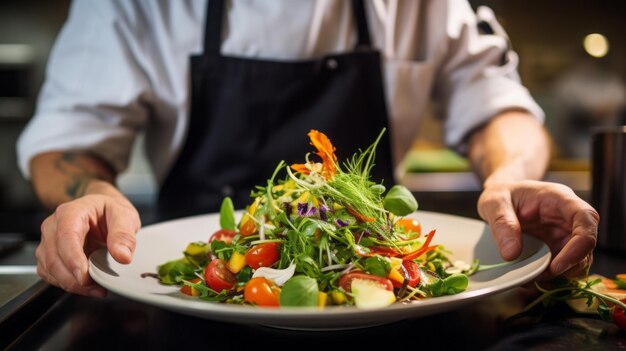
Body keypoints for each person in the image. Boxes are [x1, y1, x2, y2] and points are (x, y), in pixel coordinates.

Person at [17, 0, 598, 298]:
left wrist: (508, 177)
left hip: (388, 303)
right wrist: (90, 194)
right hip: (187, 300)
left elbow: (499, 104)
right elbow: (67, 141)